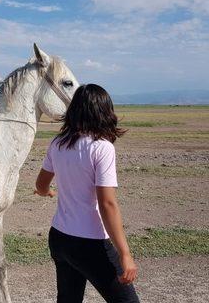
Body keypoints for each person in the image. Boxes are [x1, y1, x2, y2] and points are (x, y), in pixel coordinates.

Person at [34, 84, 140, 303]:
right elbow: (107, 204)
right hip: (91, 243)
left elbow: (41, 184)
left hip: (60, 238)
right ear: (104, 111)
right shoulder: (102, 148)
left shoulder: (58, 143)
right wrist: (125, 253)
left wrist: (48, 192)